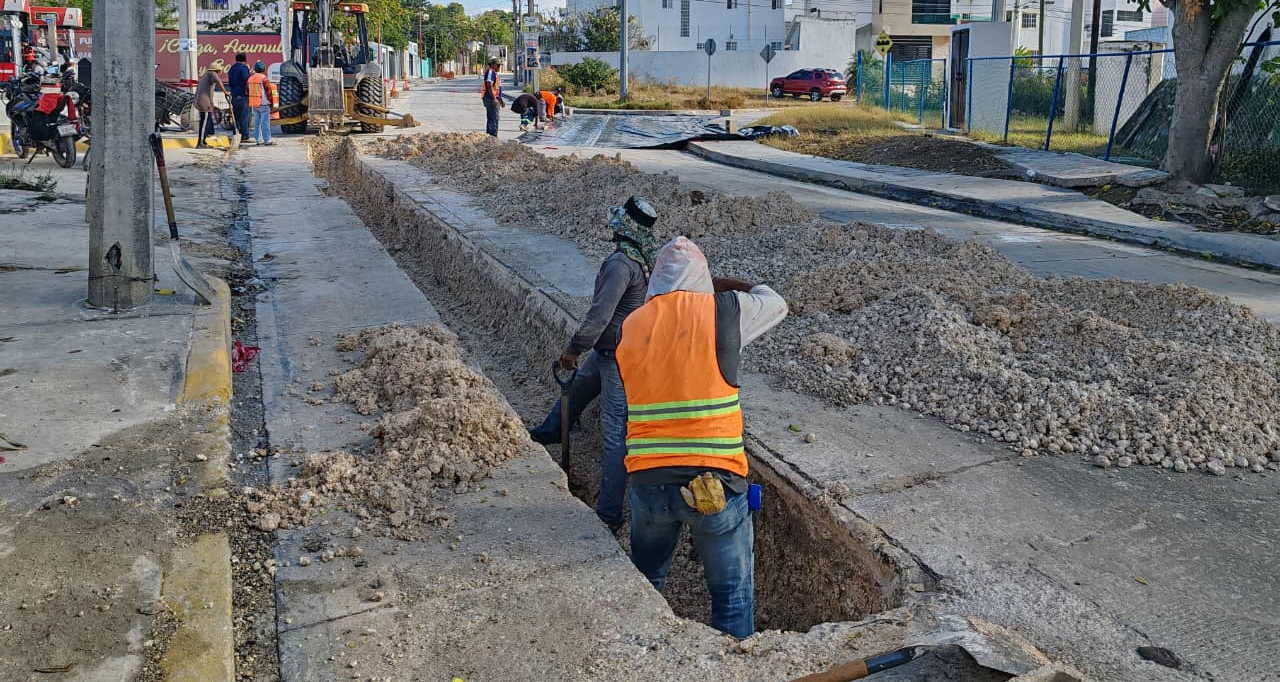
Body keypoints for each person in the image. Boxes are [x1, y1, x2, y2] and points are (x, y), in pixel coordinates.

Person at [616, 236, 788, 639]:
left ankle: (640, 656)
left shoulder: (633, 324)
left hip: (648, 479)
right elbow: (776, 302)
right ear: (705, 280)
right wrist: (728, 285)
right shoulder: (723, 310)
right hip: (715, 482)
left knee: (646, 582)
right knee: (731, 595)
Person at [543, 197, 658, 533]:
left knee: (614, 436)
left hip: (618, 358)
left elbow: (599, 316)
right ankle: (550, 430)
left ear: (622, 227)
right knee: (577, 390)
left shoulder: (620, 264)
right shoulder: (645, 258)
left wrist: (573, 348)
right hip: (611, 352)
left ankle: (608, 513)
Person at [247, 60, 276, 146]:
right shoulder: (264, 78)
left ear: (255, 69)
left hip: (254, 104)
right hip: (264, 103)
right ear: (264, 69)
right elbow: (268, 92)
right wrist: (271, 103)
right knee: (265, 122)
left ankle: (259, 140)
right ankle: (267, 140)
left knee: (257, 123)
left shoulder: (250, 78)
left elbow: (247, 91)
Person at [194, 66, 222, 148]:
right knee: (203, 123)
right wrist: (225, 92)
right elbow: (219, 81)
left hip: (203, 102)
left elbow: (208, 91)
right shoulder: (212, 74)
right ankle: (200, 143)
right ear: (218, 70)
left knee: (205, 121)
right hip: (204, 104)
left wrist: (211, 102)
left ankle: (205, 139)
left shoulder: (206, 75)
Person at [227, 53, 251, 142]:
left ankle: (237, 134)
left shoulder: (231, 69)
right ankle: (245, 136)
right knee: (245, 116)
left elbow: (230, 82)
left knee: (236, 116)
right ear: (245, 60)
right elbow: (247, 80)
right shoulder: (243, 68)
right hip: (243, 95)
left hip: (234, 95)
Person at [481, 57, 503, 137]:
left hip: (494, 98)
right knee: (493, 118)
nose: (499, 67)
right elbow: (489, 84)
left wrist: (501, 99)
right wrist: (494, 98)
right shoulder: (490, 72)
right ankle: (492, 137)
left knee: (493, 118)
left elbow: (497, 88)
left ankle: (490, 137)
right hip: (491, 98)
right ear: (493, 65)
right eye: (498, 65)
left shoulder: (494, 73)